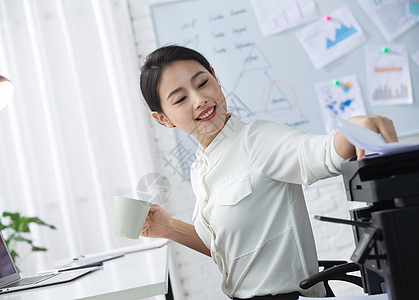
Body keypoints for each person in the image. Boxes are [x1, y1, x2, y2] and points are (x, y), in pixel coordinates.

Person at [139, 45, 398, 300]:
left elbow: (319, 154)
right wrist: (170, 228)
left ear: (216, 78)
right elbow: (228, 248)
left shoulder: (257, 139)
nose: (199, 99)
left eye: (203, 83)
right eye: (181, 99)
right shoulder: (200, 168)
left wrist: (355, 128)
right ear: (163, 119)